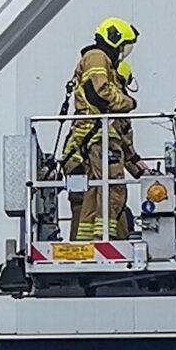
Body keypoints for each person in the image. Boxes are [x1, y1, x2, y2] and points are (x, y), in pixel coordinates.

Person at [61, 17, 140, 241]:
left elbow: (127, 148)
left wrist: (144, 172)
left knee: (92, 195)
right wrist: (129, 103)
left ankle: (90, 242)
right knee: (109, 189)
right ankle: (102, 241)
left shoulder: (114, 122)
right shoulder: (97, 57)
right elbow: (99, 93)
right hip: (94, 141)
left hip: (90, 144)